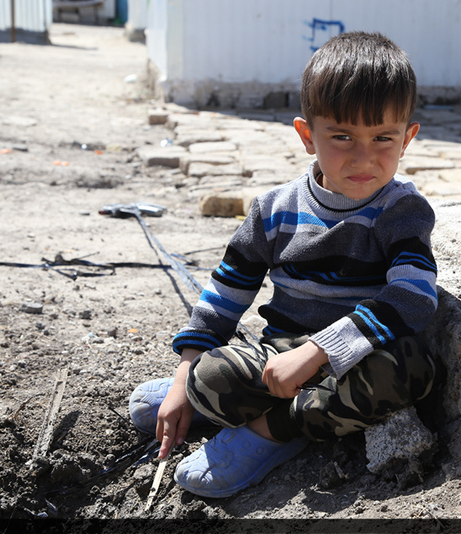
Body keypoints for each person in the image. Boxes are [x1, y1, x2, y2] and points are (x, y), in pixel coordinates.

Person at [129, 31, 437, 499]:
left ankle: (269, 431)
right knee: (207, 376)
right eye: (342, 136)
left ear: (407, 138)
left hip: (357, 361)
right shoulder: (274, 209)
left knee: (412, 369)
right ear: (307, 136)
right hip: (278, 358)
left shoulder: (401, 211)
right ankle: (207, 400)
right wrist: (182, 376)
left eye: (383, 138)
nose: (363, 157)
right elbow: (226, 292)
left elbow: (413, 298)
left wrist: (317, 351)